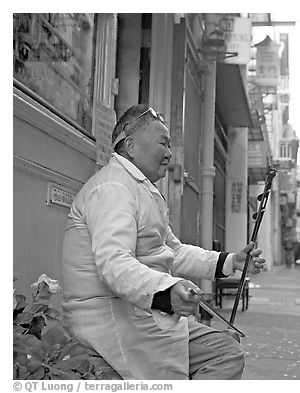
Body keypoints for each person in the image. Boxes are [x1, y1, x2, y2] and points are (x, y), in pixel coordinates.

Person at [61, 104, 266, 380]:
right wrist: (167, 293)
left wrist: (230, 261)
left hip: (143, 314)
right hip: (111, 320)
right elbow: (114, 264)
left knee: (226, 352)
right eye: (163, 143)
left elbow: (172, 251)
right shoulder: (112, 188)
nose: (170, 153)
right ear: (130, 145)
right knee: (224, 355)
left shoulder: (138, 188)